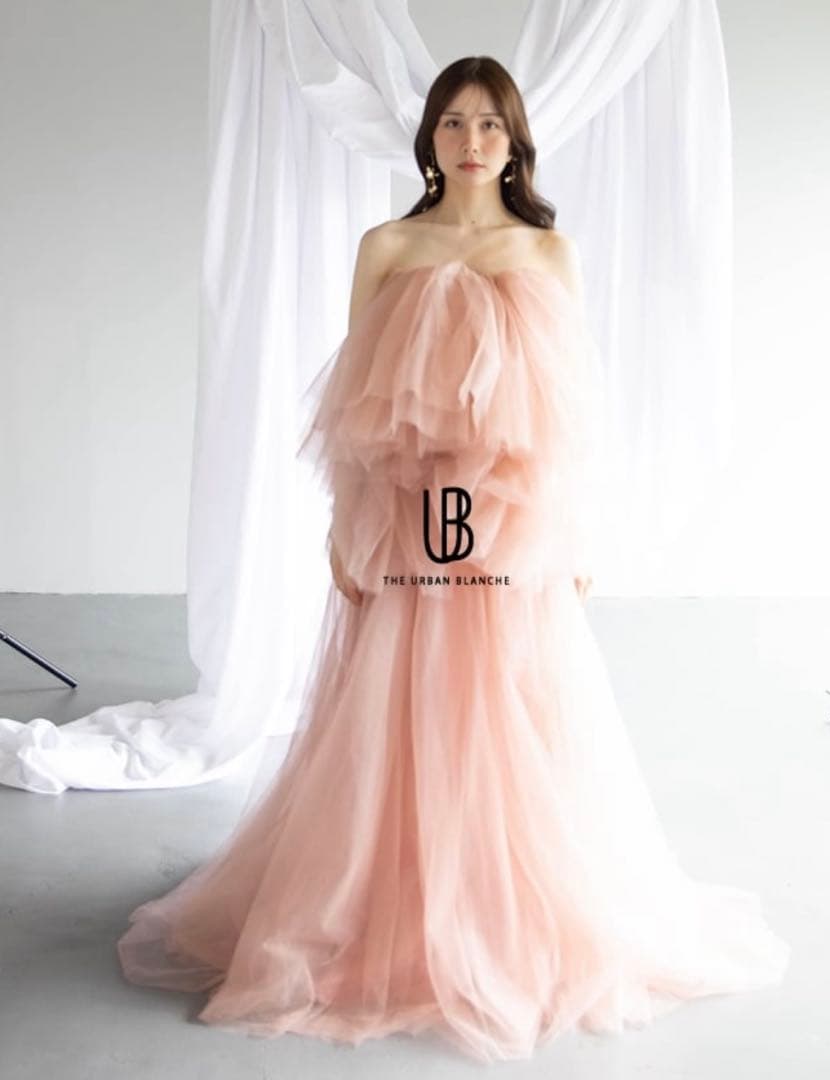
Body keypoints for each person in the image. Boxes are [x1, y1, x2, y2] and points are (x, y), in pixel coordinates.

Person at [117, 56, 790, 1064]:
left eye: (489, 125)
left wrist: (574, 535)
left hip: (514, 530)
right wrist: (343, 528)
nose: (471, 142)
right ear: (428, 137)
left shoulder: (546, 251)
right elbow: (352, 414)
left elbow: (569, 419)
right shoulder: (388, 247)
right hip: (408, 520)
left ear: (514, 142)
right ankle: (394, 898)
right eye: (453, 123)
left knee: (508, 707)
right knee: (401, 708)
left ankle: (499, 906)